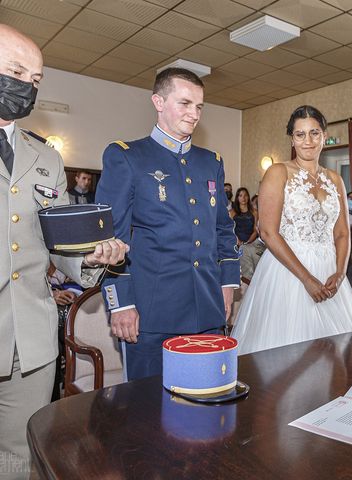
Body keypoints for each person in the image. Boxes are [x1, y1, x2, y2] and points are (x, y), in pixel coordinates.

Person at [0, 24, 127, 480]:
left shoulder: (46, 158)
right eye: (16, 71)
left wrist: (90, 260)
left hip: (30, 341)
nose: (26, 86)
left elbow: (57, 243)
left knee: (17, 456)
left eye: (35, 80)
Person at [96, 67, 240, 381]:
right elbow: (110, 238)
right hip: (151, 311)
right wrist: (120, 303)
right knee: (147, 412)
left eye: (199, 106)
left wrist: (228, 284)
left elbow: (222, 229)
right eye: (185, 103)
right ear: (158, 102)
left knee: (207, 400)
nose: (194, 114)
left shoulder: (210, 162)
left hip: (207, 307)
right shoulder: (128, 157)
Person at [231, 105, 352, 355]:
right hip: (287, 273)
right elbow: (268, 232)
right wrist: (306, 278)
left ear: (324, 135)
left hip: (329, 272)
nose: (308, 141)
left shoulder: (335, 179)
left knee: (333, 355)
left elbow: (343, 233)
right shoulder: (278, 172)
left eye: (314, 133)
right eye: (300, 134)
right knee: (287, 355)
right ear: (292, 139)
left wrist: (339, 271)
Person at [230, 187, 262, 279]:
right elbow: (230, 229)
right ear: (237, 198)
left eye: (245, 195)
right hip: (236, 242)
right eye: (240, 195)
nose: (243, 198)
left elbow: (255, 230)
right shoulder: (232, 212)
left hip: (251, 242)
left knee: (253, 269)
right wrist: (238, 241)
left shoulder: (254, 212)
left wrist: (247, 242)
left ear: (248, 197)